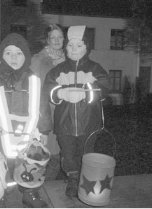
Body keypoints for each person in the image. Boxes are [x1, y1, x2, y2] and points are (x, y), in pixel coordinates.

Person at [0, 33, 52, 208]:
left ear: (26, 56)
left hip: (30, 136)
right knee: (0, 168)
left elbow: (43, 106)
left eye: (18, 53)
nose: (13, 58)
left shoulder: (34, 80)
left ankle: (29, 193)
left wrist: (45, 130)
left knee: (30, 166)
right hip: (1, 137)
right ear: (1, 56)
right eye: (8, 53)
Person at [43, 25, 110, 199]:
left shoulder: (95, 69)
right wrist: (60, 93)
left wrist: (86, 93)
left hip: (89, 123)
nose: (74, 49)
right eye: (71, 45)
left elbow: (104, 88)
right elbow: (48, 88)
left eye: (79, 45)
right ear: (66, 47)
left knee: (86, 153)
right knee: (67, 154)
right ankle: (73, 179)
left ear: (87, 47)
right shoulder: (58, 70)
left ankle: (85, 181)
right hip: (64, 123)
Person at [30, 24, 65, 181]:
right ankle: (36, 188)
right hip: (45, 112)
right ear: (47, 40)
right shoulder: (38, 59)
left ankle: (49, 189)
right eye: (53, 37)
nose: (57, 40)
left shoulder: (70, 58)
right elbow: (32, 87)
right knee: (44, 154)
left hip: (64, 113)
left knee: (59, 155)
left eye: (60, 37)